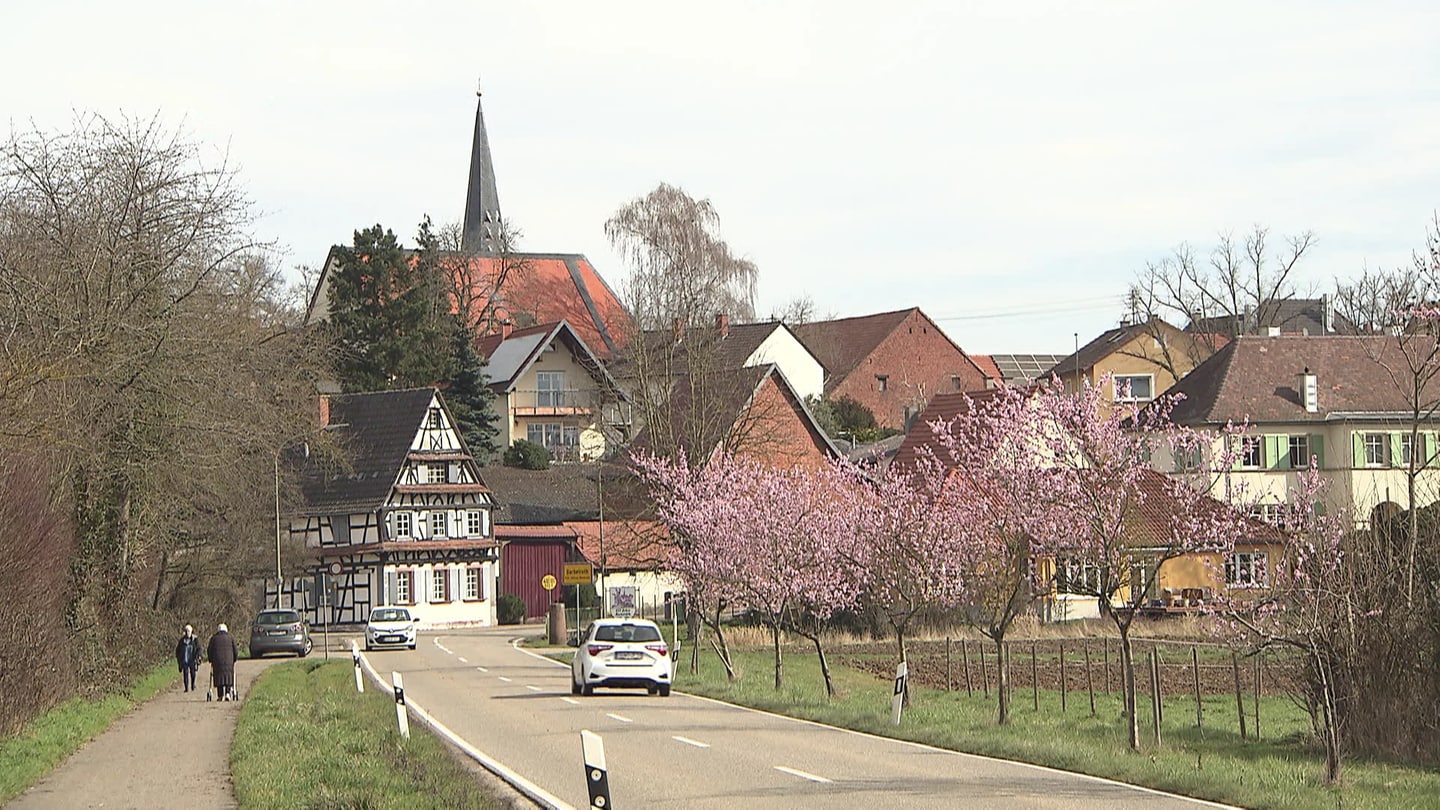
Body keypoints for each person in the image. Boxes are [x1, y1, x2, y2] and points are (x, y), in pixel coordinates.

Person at [207, 623, 239, 701]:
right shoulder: (230, 638)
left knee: (219, 677)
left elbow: (209, 650)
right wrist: (234, 659)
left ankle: (220, 695)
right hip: (229, 661)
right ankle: (228, 693)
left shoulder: (214, 638)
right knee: (228, 676)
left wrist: (210, 659)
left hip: (217, 661)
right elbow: (235, 650)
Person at [175, 624, 201, 692]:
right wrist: (179, 659)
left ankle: (193, 685)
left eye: (189, 631)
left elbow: (199, 649)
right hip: (185, 660)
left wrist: (198, 656)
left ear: (191, 632)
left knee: (193, 673)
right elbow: (178, 650)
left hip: (192, 659)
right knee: (185, 673)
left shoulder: (195, 640)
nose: (187, 633)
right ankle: (186, 688)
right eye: (186, 631)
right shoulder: (182, 640)